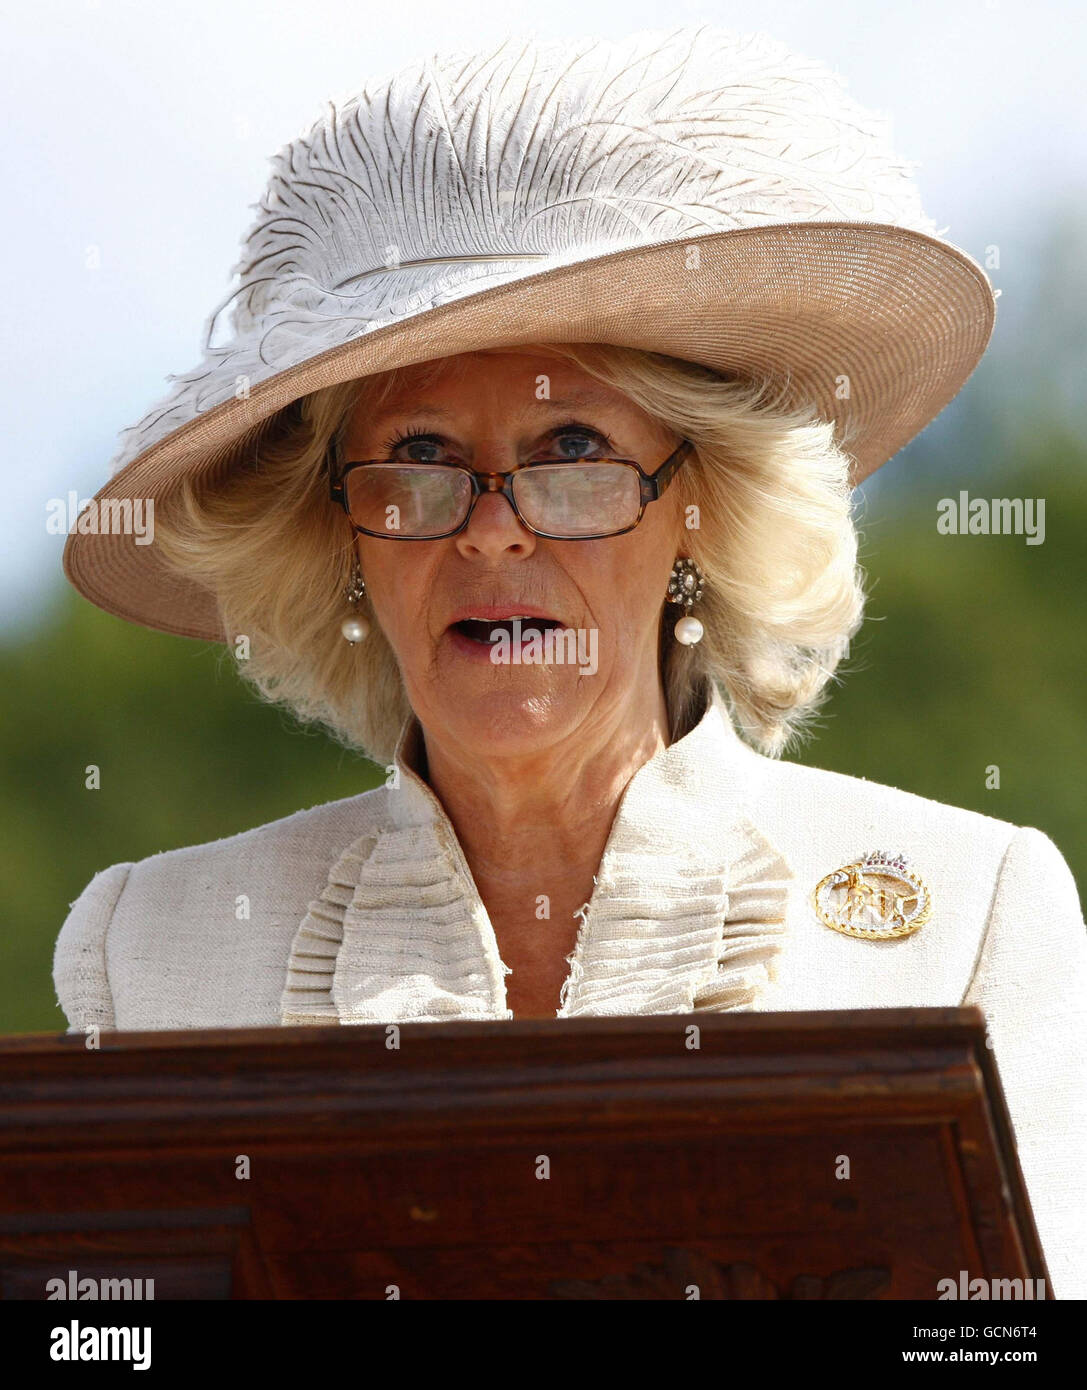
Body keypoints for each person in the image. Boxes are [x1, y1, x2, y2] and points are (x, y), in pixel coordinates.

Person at [54, 24, 1085, 1297]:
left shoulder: (966, 916)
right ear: (339, 539)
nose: (493, 526)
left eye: (570, 451)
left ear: (698, 505)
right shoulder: (149, 950)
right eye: (420, 457)